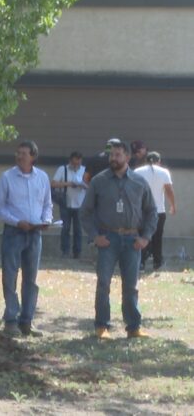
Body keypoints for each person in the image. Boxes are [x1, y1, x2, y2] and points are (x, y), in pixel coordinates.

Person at [80, 140, 157, 339]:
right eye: (111, 155)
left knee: (131, 286)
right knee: (103, 283)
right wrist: (95, 237)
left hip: (132, 240)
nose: (112, 158)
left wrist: (146, 238)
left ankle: (133, 327)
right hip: (108, 238)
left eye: (117, 155)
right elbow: (85, 212)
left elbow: (151, 212)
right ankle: (101, 326)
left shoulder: (139, 182)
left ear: (128, 157)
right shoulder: (99, 181)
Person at [0, 140, 52, 337]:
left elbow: (47, 204)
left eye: (24, 153)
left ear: (33, 157)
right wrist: (17, 222)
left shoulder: (42, 177)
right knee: (10, 276)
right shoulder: (7, 177)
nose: (19, 156)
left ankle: (27, 321)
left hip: (35, 233)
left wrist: (46, 220)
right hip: (14, 232)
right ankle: (11, 320)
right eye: (17, 153)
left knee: (31, 279)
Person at [134, 151, 176, 271]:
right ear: (159, 161)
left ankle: (140, 262)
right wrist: (173, 205)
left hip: (142, 210)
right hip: (159, 210)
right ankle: (157, 262)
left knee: (142, 235)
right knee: (157, 237)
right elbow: (169, 190)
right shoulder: (164, 172)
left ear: (146, 160)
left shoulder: (138, 172)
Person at [51, 151, 86, 259]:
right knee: (65, 228)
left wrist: (82, 185)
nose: (76, 166)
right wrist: (69, 184)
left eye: (78, 164)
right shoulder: (63, 169)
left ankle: (77, 252)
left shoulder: (84, 170)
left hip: (80, 203)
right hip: (65, 202)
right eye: (74, 164)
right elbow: (53, 183)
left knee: (78, 229)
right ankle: (65, 251)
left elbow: (91, 184)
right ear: (70, 161)